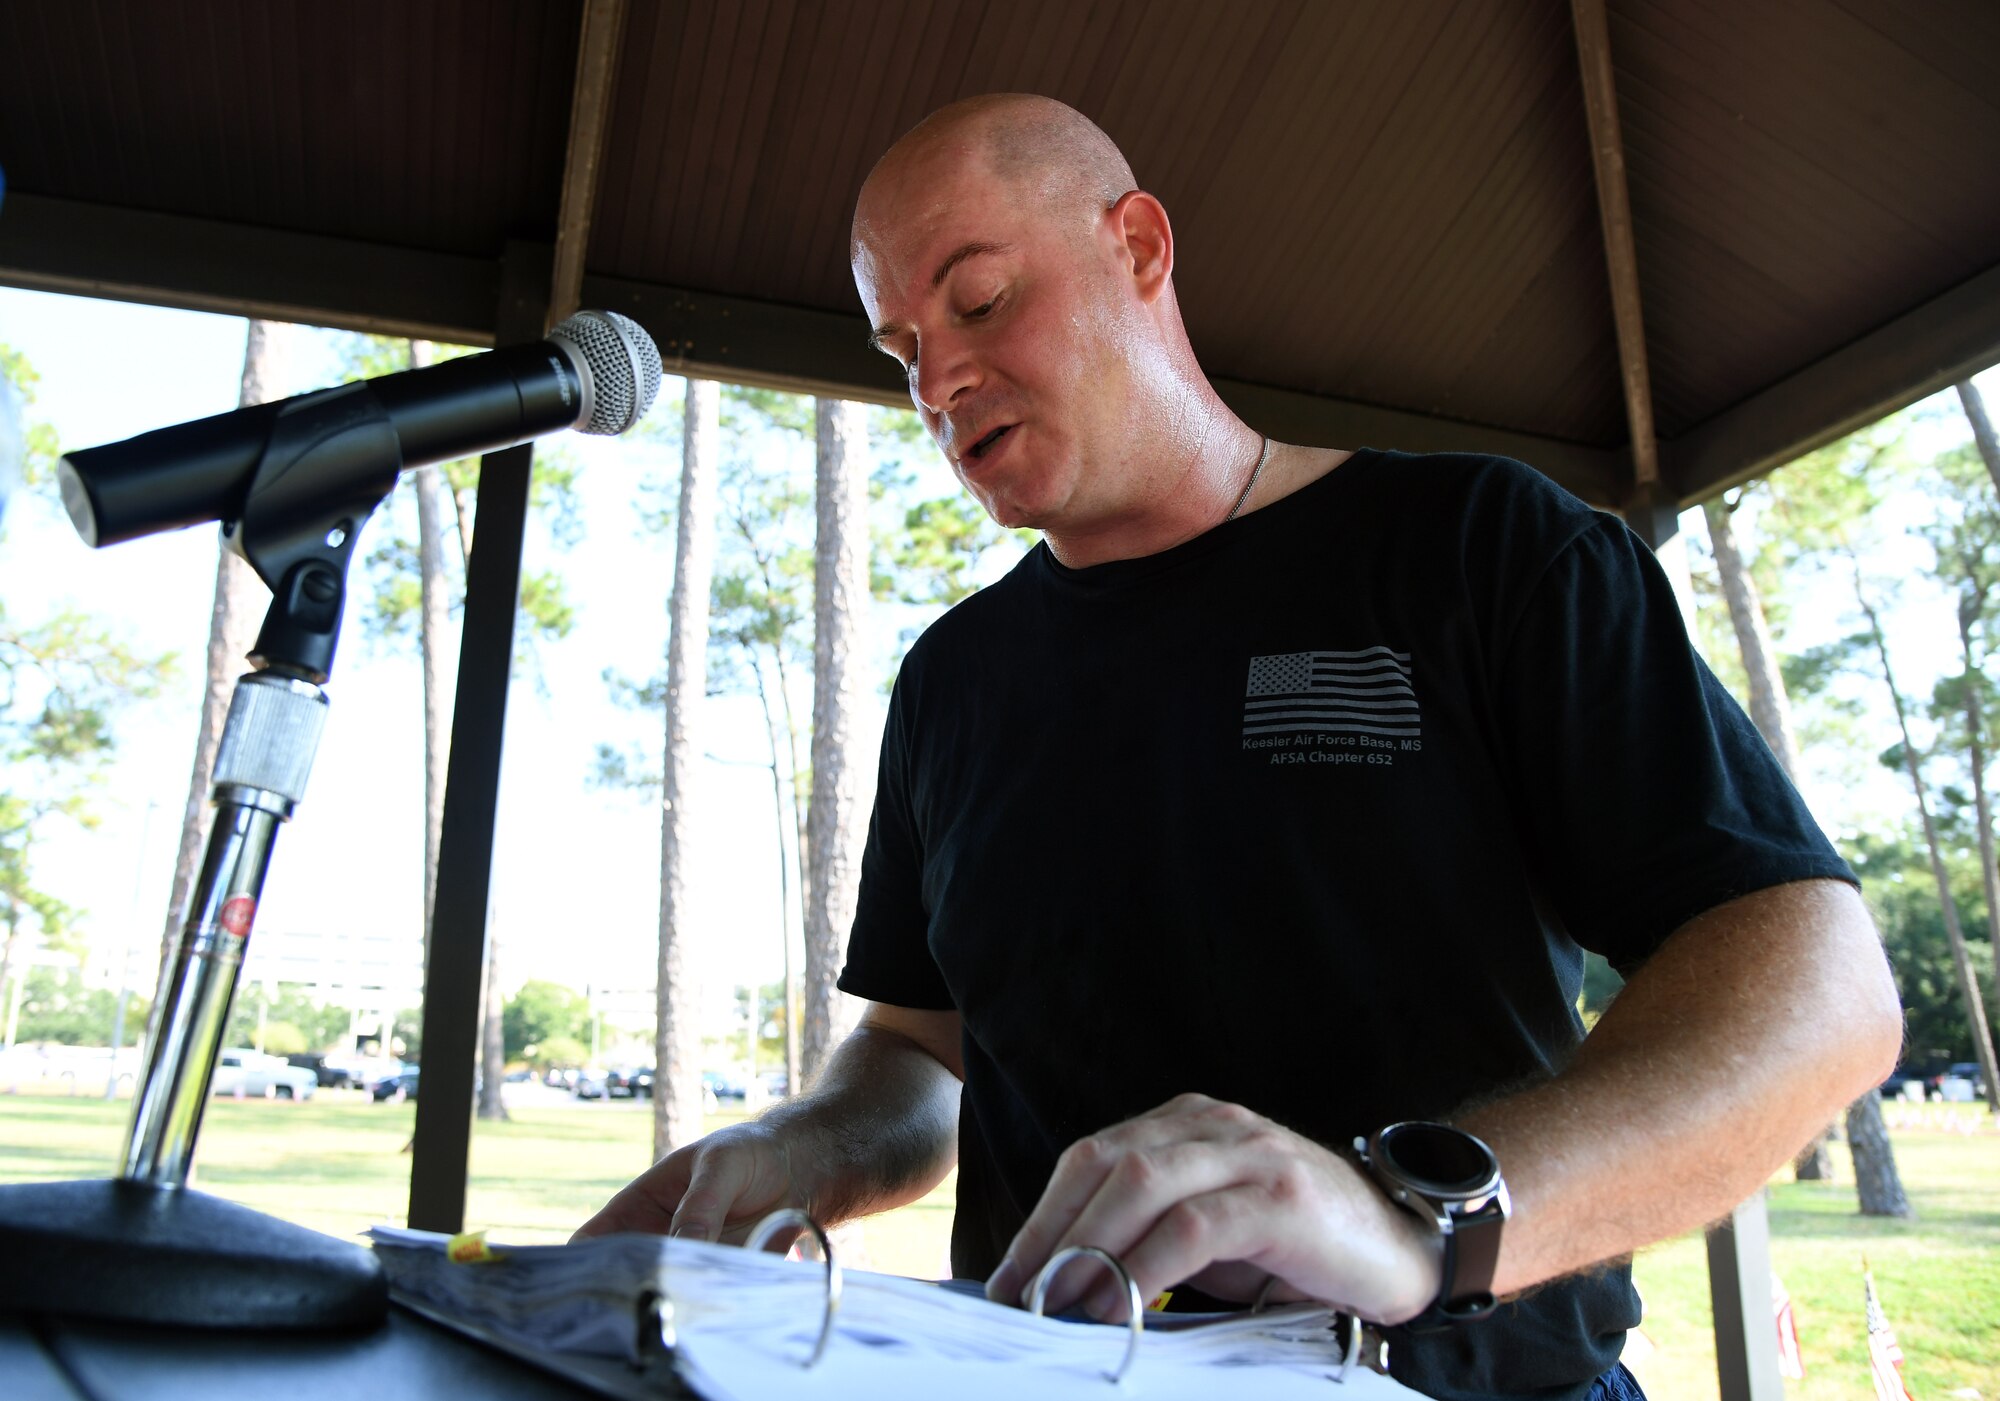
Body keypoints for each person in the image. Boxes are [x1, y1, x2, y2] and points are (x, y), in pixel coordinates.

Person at [579, 94, 1902, 1401]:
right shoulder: (950, 681)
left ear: (1140, 248)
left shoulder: (1484, 551)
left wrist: (1407, 1215)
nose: (936, 380)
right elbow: (924, 1055)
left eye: (977, 301)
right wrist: (801, 1146)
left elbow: (1822, 987)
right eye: (900, 345)